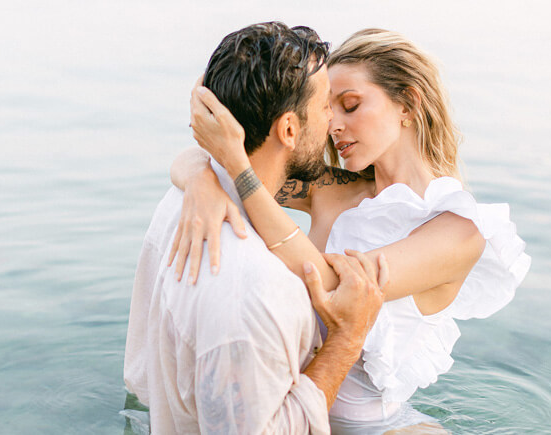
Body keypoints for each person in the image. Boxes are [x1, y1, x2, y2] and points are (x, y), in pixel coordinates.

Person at [170, 29, 531, 433]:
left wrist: (238, 173)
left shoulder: (457, 231)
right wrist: (202, 182)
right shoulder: (329, 189)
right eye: (328, 109)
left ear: (407, 104)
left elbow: (338, 286)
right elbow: (203, 155)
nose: (333, 126)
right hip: (285, 413)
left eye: (351, 105)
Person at [123, 22, 390, 434]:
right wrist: (345, 340)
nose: (332, 122)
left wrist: (197, 173)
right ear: (288, 129)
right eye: (324, 108)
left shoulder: (182, 202)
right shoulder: (257, 290)